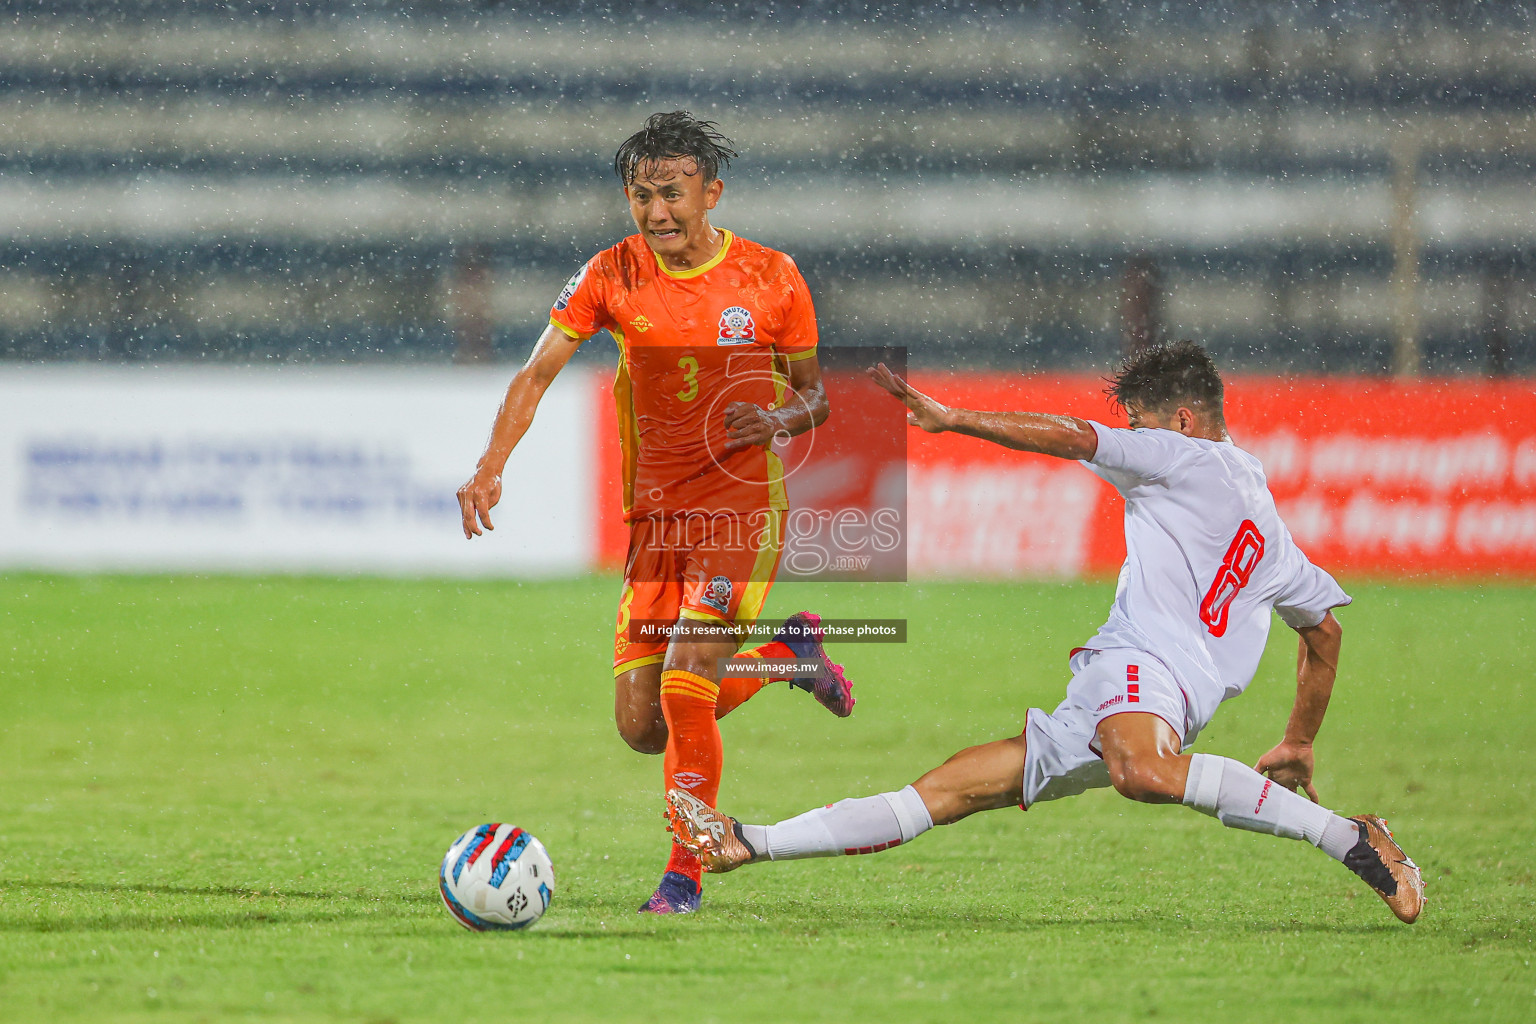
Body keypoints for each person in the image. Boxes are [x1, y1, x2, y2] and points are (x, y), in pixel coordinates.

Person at [667, 341, 1425, 924]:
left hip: (1143, 673)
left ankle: (1349, 836)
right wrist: (1298, 738)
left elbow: (1073, 435)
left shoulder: (1180, 453)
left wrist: (954, 417)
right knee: (946, 793)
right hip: (1150, 692)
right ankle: (748, 840)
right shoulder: (1268, 521)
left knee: (1143, 775)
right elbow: (1323, 633)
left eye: (1142, 422)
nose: (1134, 436)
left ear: (1182, 420)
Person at [457, 111, 854, 915]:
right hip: (656, 525)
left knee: (684, 687)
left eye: (671, 194)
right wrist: (491, 465)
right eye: (641, 196)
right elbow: (536, 374)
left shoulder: (773, 277)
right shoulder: (611, 273)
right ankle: (787, 654)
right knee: (642, 727)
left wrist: (778, 420)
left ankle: (688, 869)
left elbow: (815, 397)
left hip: (740, 516)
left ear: (712, 192)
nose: (657, 212)